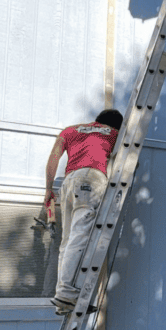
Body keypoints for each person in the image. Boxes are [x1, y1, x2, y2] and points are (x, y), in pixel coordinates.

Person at [44, 108, 123, 313]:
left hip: (69, 181)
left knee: (67, 241)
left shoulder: (70, 131)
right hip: (91, 177)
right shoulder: (114, 134)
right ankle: (67, 294)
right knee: (80, 236)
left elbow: (54, 157)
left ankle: (62, 297)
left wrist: (48, 188)